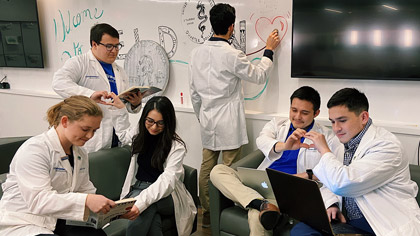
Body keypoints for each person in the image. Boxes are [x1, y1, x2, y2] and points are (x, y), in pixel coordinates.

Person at [189, 3, 281, 226]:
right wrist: (269, 49)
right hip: (228, 120)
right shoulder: (232, 54)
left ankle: (208, 215)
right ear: (231, 27)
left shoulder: (196, 52)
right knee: (229, 170)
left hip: (207, 118)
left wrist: (202, 116)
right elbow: (258, 75)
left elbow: (193, 92)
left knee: (207, 167)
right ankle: (225, 212)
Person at [210, 86, 343, 236]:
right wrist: (285, 146)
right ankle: (260, 203)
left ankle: (261, 206)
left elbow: (333, 171)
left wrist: (310, 177)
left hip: (288, 190)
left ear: (316, 113)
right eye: (294, 110)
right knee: (217, 170)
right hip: (262, 182)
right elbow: (262, 140)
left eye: (304, 113)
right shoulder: (277, 124)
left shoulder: (327, 138)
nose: (297, 116)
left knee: (257, 217)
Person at [292, 88, 420, 236]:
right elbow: (329, 180)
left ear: (364, 117)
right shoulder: (345, 141)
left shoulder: (387, 146)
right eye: (332, 122)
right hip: (348, 221)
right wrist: (332, 203)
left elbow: (343, 183)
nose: (336, 128)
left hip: (380, 224)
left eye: (342, 121)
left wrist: (324, 151)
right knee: (301, 230)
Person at [0, 96, 117, 236]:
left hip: (59, 219)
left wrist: (111, 211)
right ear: (65, 121)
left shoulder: (80, 152)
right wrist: (86, 200)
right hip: (24, 220)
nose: (90, 136)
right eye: (85, 129)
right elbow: (39, 201)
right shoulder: (35, 150)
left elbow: (84, 188)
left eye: (95, 130)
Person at [108, 94, 197, 236]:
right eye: (150, 121)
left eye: (160, 123)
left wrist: (141, 202)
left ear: (168, 123)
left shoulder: (176, 146)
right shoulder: (140, 133)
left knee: (147, 206)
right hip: (138, 187)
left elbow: (167, 181)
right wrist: (120, 110)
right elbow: (124, 137)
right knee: (151, 218)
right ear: (144, 118)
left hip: (167, 195)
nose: (154, 127)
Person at [52, 23, 142, 153]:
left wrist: (134, 104)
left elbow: (121, 105)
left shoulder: (119, 71)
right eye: (109, 46)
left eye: (117, 46)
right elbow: (59, 82)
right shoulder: (79, 63)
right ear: (94, 44)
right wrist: (90, 95)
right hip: (89, 138)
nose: (114, 50)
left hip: (116, 136)